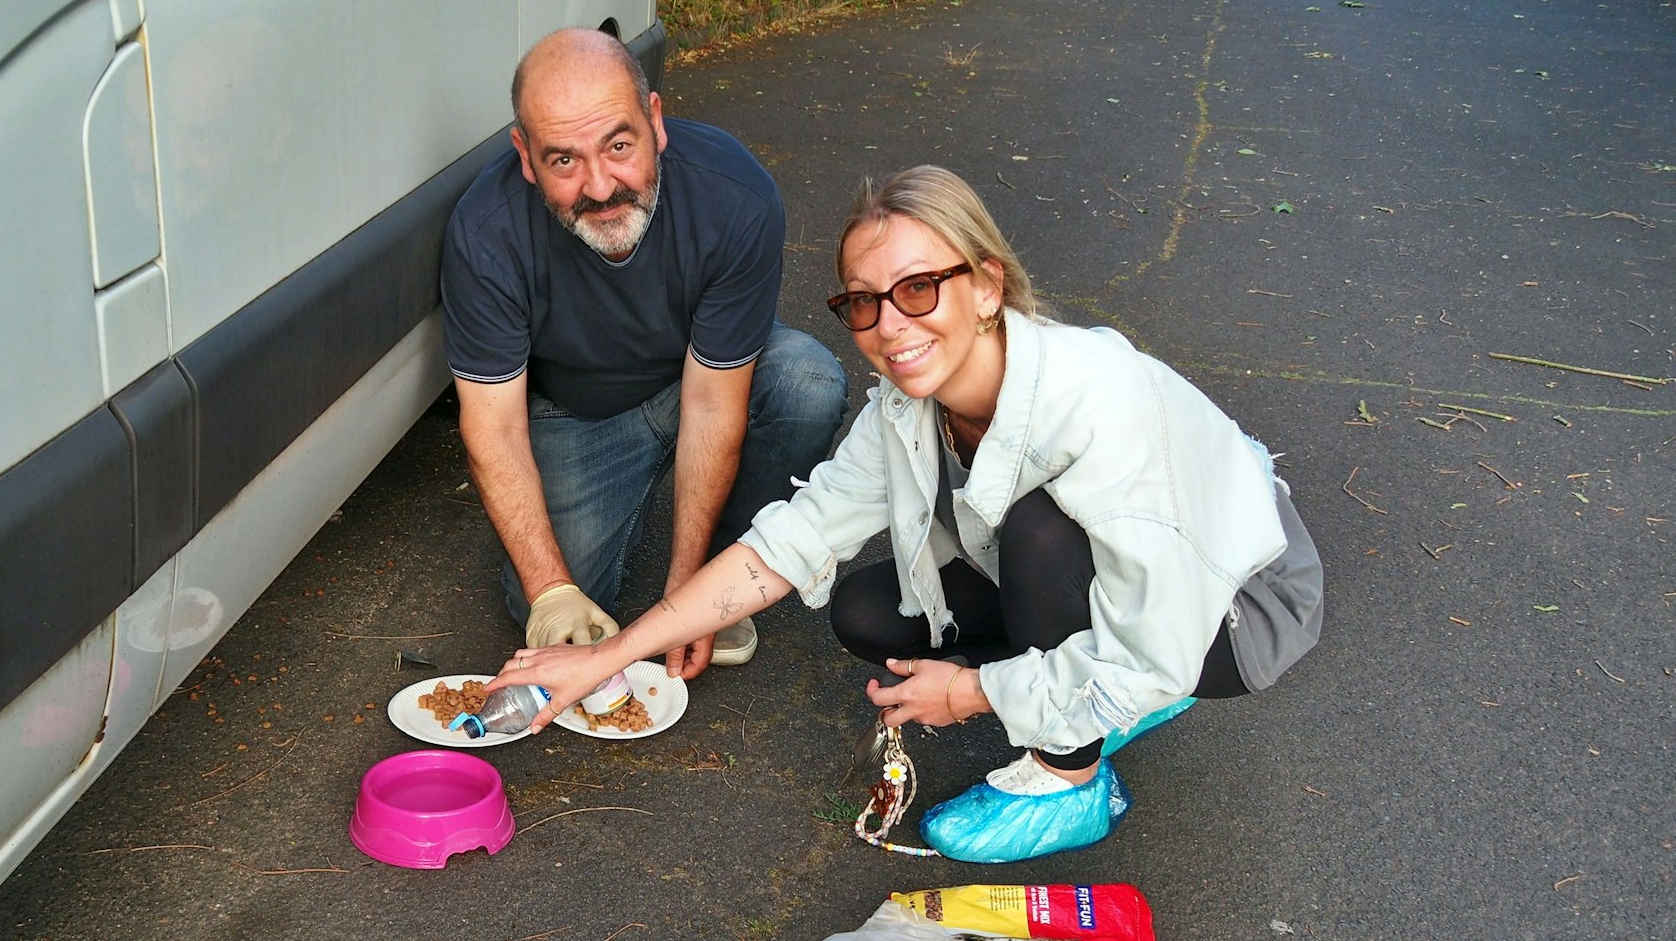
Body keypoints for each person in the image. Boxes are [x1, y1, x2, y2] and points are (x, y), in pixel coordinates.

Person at [488, 165, 1323, 864]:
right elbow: (793, 539)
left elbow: (1159, 646)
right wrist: (612, 656)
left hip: (1233, 609)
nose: (890, 326)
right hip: (1123, 585)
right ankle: (1085, 685)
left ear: (987, 286)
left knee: (1040, 530)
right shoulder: (907, 403)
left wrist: (970, 692)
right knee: (867, 611)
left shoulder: (1097, 405)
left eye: (918, 288)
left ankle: (1070, 777)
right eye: (863, 302)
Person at [441, 28, 847, 677]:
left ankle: (731, 565)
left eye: (619, 146)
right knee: (549, 610)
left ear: (655, 121)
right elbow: (494, 426)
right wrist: (551, 589)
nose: (602, 187)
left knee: (806, 382)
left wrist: (691, 595)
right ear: (525, 156)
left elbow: (713, 404)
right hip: (580, 409)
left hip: (705, 373)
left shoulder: (735, 195)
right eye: (564, 161)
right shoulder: (485, 231)